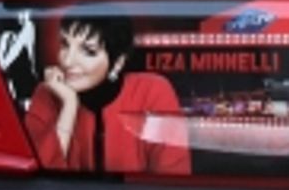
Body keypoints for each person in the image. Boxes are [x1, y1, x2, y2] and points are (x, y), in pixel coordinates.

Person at [24, 14, 190, 175]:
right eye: (65, 45)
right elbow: (35, 182)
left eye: (88, 51)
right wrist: (69, 106)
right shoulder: (47, 93)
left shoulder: (152, 91)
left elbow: (172, 180)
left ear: (118, 62)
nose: (67, 61)